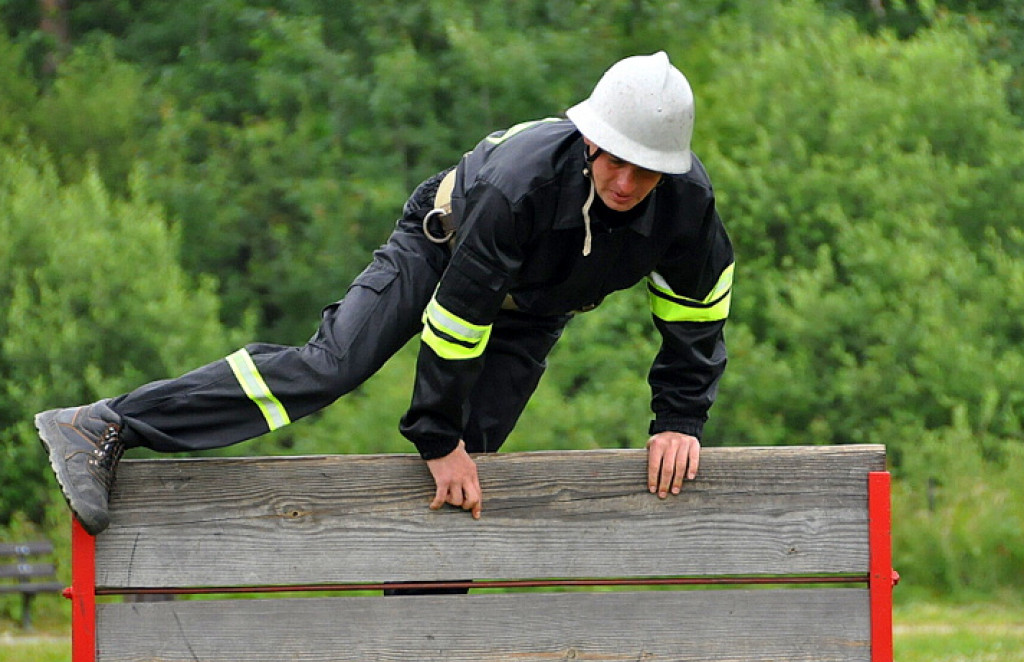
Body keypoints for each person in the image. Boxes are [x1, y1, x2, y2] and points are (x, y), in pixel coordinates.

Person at [35, 51, 734, 536]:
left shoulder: (689, 209)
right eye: (614, 160)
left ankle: (416, 605)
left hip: (536, 308)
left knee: (476, 455)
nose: (624, 182)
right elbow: (458, 320)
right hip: (443, 247)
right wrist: (434, 434)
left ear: (667, 170)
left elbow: (696, 319)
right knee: (331, 367)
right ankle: (105, 424)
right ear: (590, 141)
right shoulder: (518, 184)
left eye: (643, 171)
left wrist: (679, 418)